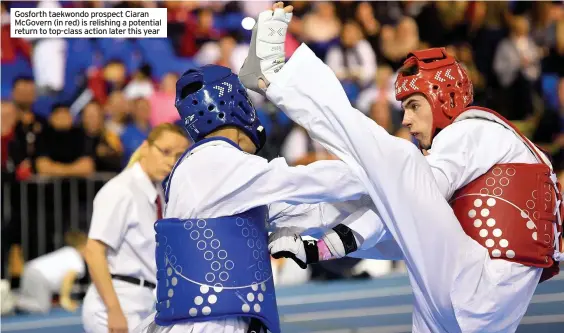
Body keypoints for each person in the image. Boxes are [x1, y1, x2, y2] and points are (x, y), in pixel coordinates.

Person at [242, 4, 563, 332]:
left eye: (413, 105)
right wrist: (318, 242)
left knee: (396, 167)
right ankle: (270, 215)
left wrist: (325, 246)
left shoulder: (475, 129)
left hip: (476, 280)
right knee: (382, 189)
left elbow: (406, 192)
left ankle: (276, 79)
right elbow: (399, 210)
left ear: (444, 98)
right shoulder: (502, 156)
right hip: (483, 307)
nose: (406, 120)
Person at [134, 52, 397, 333]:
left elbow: (303, 212)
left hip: (213, 317)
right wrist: (384, 170)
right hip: (209, 322)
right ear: (236, 105)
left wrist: (372, 204)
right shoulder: (218, 161)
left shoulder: (208, 169)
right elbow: (304, 182)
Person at [82, 123, 190, 333]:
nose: (170, 162)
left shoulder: (157, 192)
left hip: (144, 303)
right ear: (145, 147)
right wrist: (114, 310)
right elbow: (94, 251)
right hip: (117, 302)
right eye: (165, 151)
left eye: (178, 156)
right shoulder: (121, 190)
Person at [16, 231, 87, 314]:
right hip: (38, 276)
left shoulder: (68, 251)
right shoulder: (76, 258)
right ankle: (10, 301)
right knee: (41, 307)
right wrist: (65, 299)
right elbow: (68, 278)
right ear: (83, 246)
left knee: (28, 301)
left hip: (30, 269)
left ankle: (12, 300)